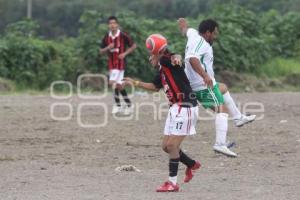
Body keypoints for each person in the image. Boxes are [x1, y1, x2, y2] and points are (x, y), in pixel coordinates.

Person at [123, 34, 200, 192]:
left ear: (157, 52)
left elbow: (175, 57)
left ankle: (172, 183)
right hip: (175, 108)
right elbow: (154, 86)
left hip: (185, 106)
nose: (150, 57)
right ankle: (192, 164)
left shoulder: (167, 60)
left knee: (172, 145)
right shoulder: (162, 69)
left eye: (151, 54)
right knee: (166, 146)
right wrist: (135, 83)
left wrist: (176, 58)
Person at [178, 18, 256, 157]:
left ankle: (238, 118)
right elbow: (192, 59)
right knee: (222, 110)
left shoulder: (193, 33)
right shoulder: (201, 43)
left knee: (223, 88)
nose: (216, 36)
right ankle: (220, 144)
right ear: (207, 33)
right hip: (201, 86)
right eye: (215, 33)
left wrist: (183, 26)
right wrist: (205, 76)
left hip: (201, 84)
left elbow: (186, 31)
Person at [99, 16, 137, 115]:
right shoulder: (106, 37)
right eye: (110, 23)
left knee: (112, 82)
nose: (112, 25)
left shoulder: (123, 35)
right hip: (111, 64)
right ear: (108, 25)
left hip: (120, 64)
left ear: (117, 24)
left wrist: (124, 54)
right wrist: (108, 47)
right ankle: (129, 105)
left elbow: (133, 45)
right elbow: (101, 51)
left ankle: (118, 105)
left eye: (114, 23)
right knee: (119, 86)